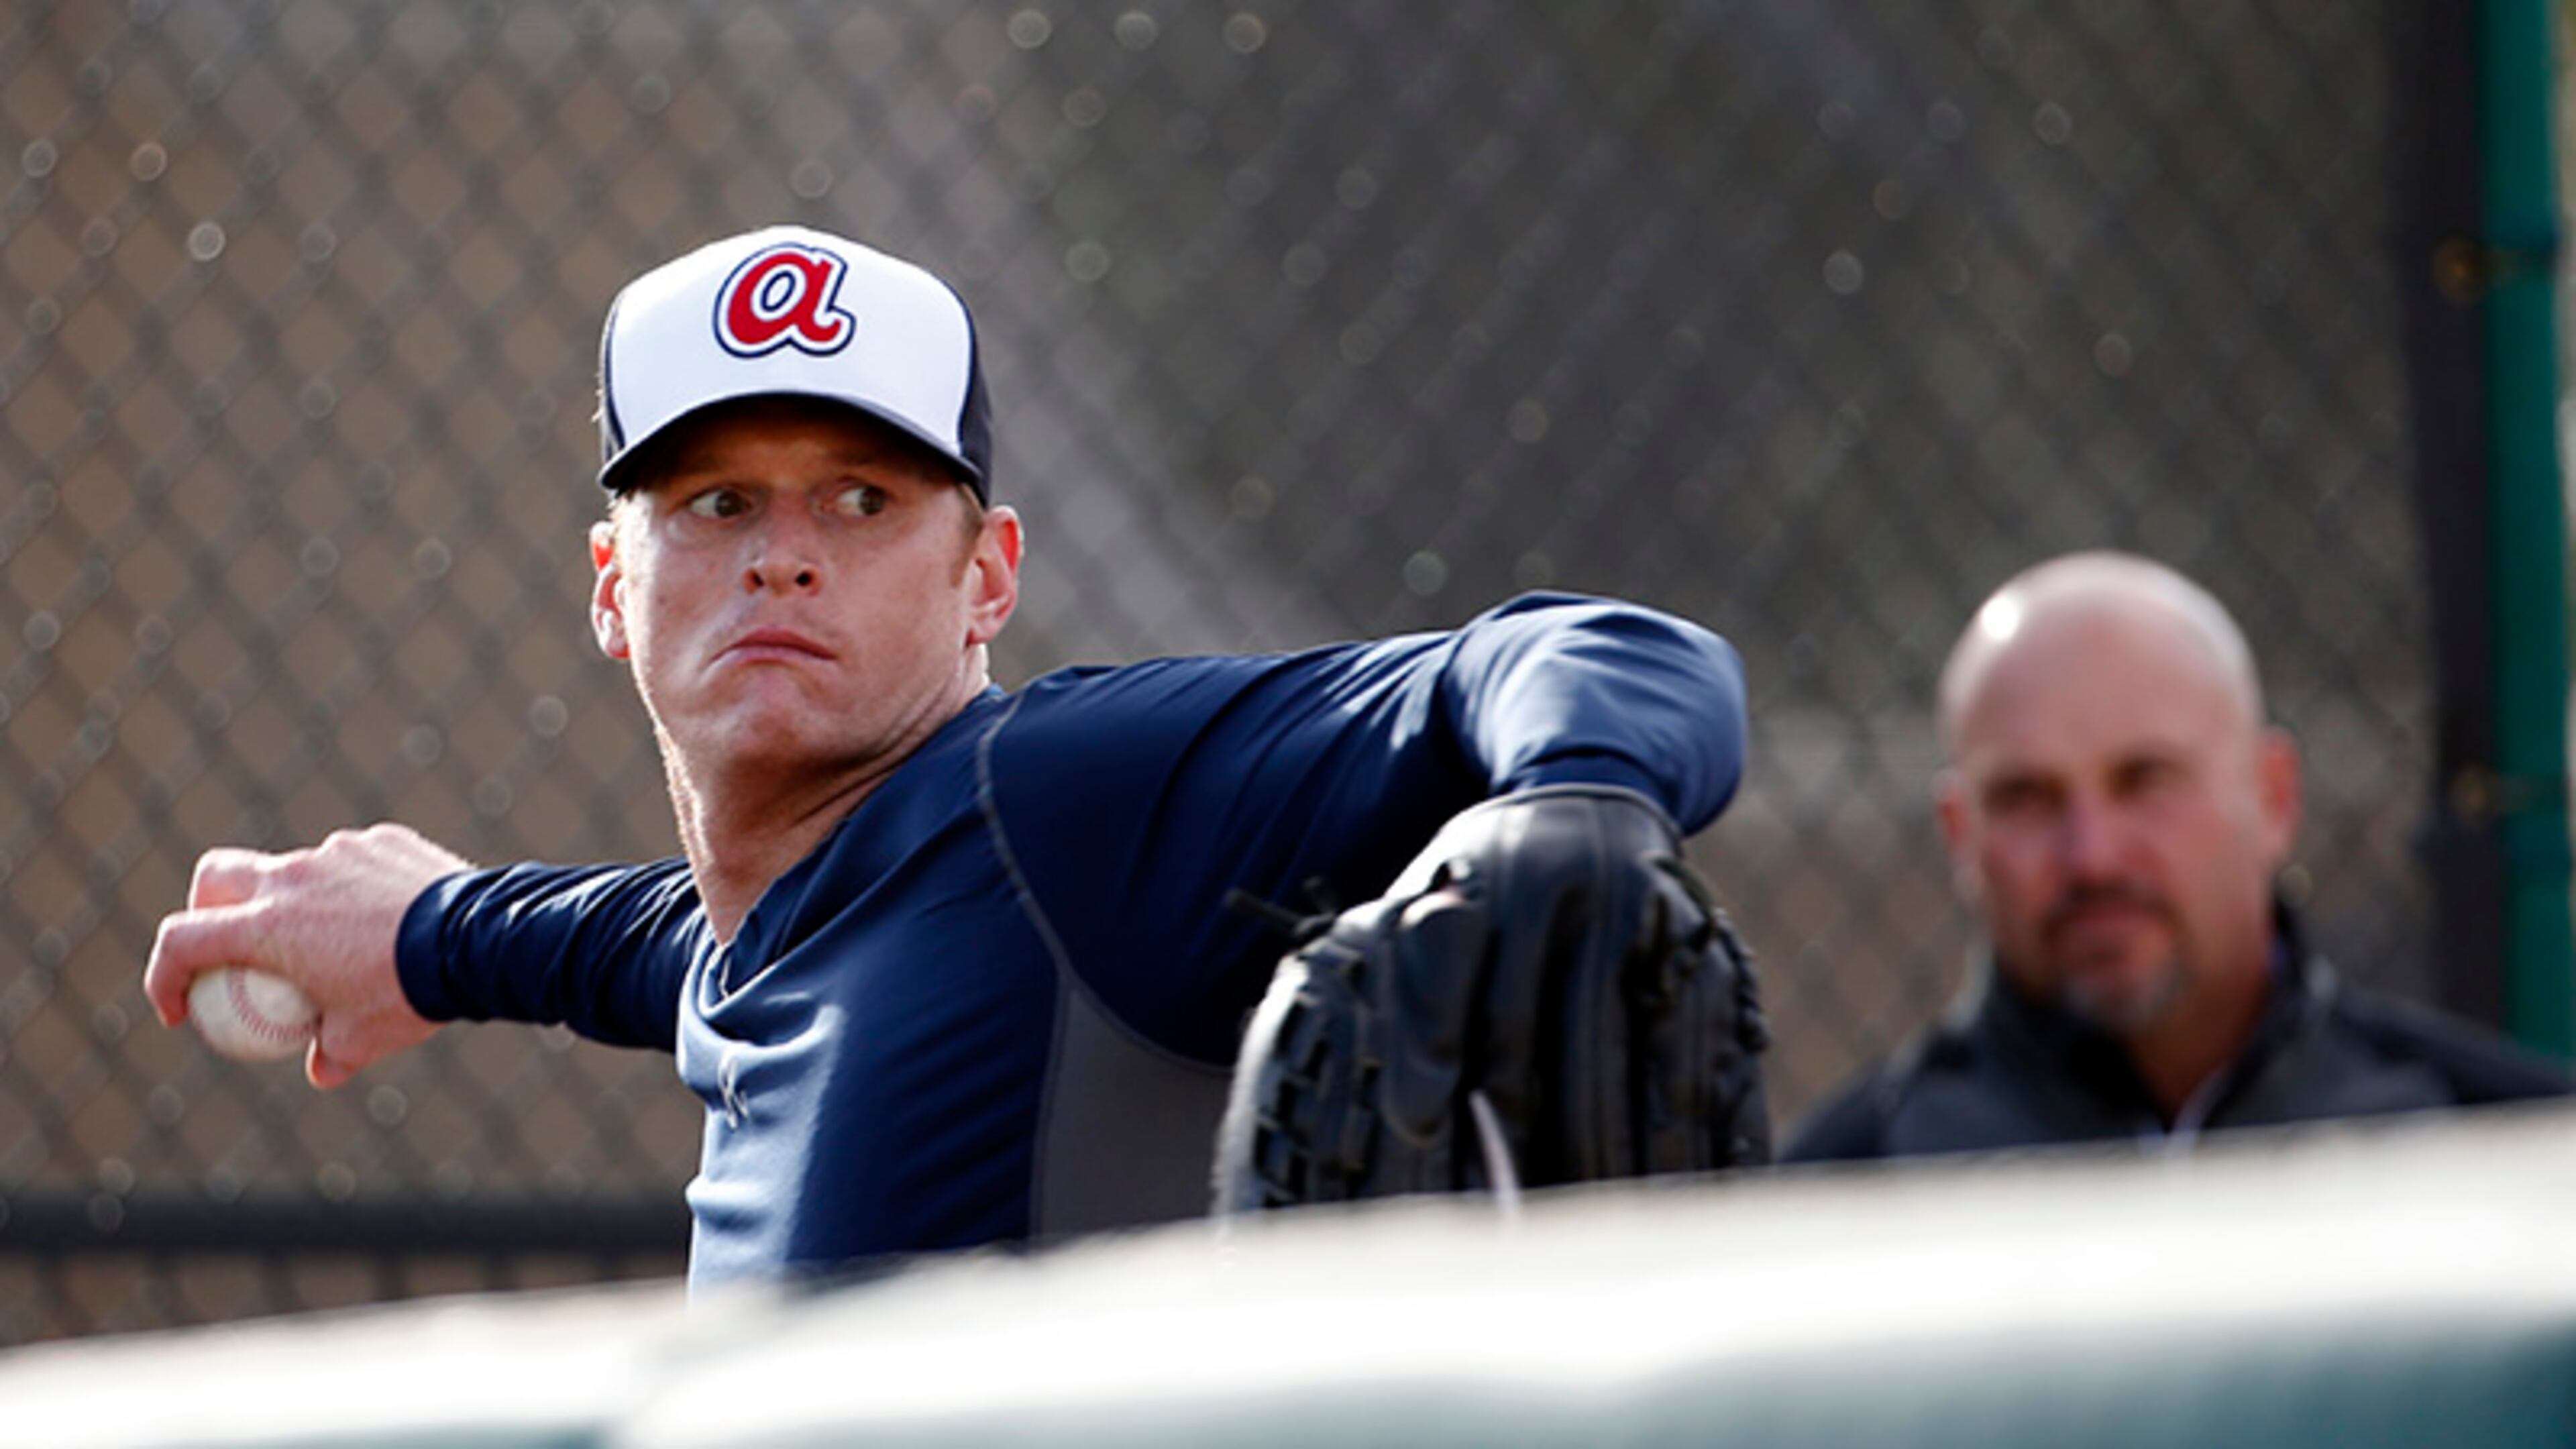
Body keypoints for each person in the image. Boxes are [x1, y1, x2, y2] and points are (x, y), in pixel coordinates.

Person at [145, 225, 1753, 1284]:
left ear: (986, 576)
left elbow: (1608, 651)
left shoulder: (1071, 802)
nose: (784, 554)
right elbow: (664, 944)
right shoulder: (759, 921)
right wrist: (433, 933)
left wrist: (1578, 806)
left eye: (859, 498)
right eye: (715, 502)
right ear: (609, 589)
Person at [1784, 551, 2569, 1163]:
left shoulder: (2512, 1157)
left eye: (2146, 781)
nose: (2092, 856)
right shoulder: (1838, 1208)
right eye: (2028, 799)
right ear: (1961, 833)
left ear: (2273, 798)